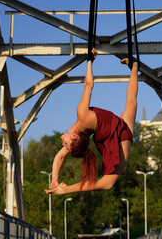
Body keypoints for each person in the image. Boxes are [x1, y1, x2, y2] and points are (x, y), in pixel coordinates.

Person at [45, 48, 138, 195]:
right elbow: (88, 86)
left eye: (65, 145)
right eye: (66, 144)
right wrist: (89, 61)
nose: (63, 144)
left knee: (132, 102)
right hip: (120, 135)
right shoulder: (82, 118)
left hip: (122, 134)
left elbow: (59, 156)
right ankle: (134, 67)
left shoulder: (81, 134)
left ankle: (135, 67)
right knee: (131, 101)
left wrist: (58, 184)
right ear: (75, 137)